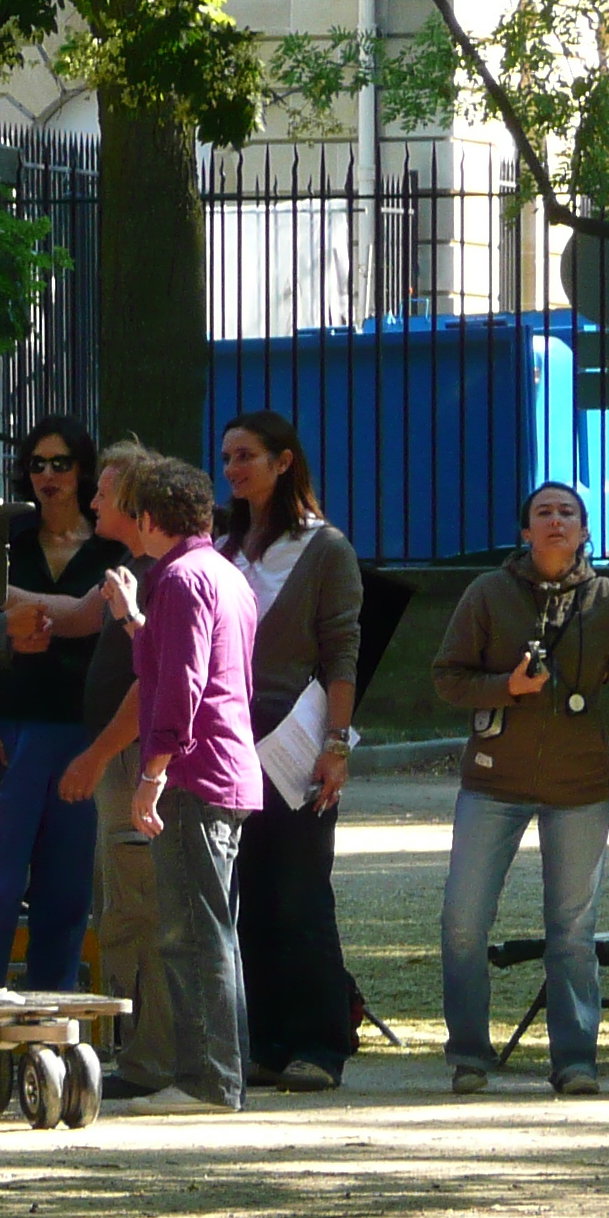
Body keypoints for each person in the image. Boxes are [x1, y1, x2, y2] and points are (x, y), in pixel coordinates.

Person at [432, 483, 609, 1096]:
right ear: (525, 532)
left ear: (585, 531)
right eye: (543, 513)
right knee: (463, 920)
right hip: (493, 783)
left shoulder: (607, 600)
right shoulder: (487, 592)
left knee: (572, 928)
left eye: (568, 513)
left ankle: (576, 1060)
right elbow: (448, 678)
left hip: (579, 788)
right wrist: (506, 687)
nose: (556, 521)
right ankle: (470, 1056)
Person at [95, 453, 261, 1113]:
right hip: (222, 772)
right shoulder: (219, 572)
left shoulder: (184, 579)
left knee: (191, 933)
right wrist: (136, 619)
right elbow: (175, 661)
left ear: (150, 517)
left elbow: (180, 687)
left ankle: (208, 1081)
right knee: (210, 929)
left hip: (195, 775)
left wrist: (152, 774)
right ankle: (215, 1074)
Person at [216, 410, 366, 1092]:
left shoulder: (324, 548)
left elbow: (342, 652)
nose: (233, 469)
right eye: (226, 458)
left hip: (295, 741)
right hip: (228, 740)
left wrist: (336, 745)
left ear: (283, 462)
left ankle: (320, 1043)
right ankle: (270, 1043)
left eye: (246, 455)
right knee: (249, 894)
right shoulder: (222, 547)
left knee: (300, 892)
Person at [29, 440, 174, 1096]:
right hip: (121, 761)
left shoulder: (163, 575)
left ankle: (149, 1061)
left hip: (131, 761)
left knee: (137, 911)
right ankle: (143, 1054)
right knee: (121, 906)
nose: (89, 501)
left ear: (136, 502)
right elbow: (78, 615)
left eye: (104, 493)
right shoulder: (129, 563)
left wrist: (99, 754)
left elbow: (154, 684)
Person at [0, 417, 129, 990]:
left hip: (82, 731)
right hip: (7, 727)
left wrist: (20, 607)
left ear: (84, 470)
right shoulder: (2, 542)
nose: (48, 475)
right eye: (37, 464)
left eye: (61, 463)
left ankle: (50, 1017)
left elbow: (92, 619)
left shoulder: (114, 546)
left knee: (66, 892)